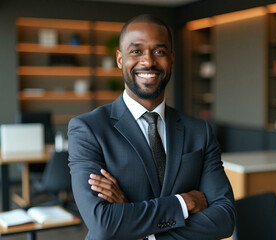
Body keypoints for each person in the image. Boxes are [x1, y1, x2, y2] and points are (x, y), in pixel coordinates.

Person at [67, 14, 235, 240]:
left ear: (171, 59)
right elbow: (103, 223)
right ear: (120, 59)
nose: (148, 62)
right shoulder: (88, 130)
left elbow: (224, 219)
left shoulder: (200, 131)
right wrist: (182, 203)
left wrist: (141, 229)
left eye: (159, 51)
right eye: (136, 51)